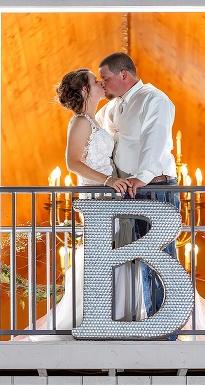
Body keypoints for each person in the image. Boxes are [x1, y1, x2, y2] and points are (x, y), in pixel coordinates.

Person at [19, 68, 145, 340]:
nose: (100, 83)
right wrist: (108, 180)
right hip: (96, 196)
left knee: (115, 253)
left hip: (110, 195)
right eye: (94, 81)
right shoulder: (80, 122)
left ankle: (114, 314)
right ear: (86, 90)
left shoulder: (93, 121)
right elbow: (72, 162)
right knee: (101, 254)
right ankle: (91, 316)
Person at [95, 52, 181, 330]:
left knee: (160, 259)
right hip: (126, 191)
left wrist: (141, 178)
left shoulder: (154, 99)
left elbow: (155, 140)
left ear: (124, 74)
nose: (102, 84)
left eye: (105, 78)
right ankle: (146, 321)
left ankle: (166, 327)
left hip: (155, 187)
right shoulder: (110, 108)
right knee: (137, 260)